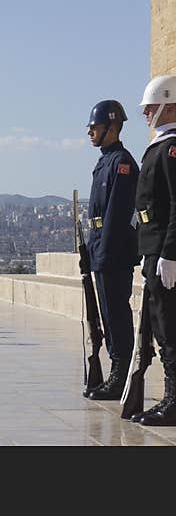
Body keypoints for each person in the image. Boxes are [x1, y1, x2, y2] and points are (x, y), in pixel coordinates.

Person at [82, 100, 141, 400]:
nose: (90, 131)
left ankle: (121, 374)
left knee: (116, 313)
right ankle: (115, 369)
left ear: (112, 126)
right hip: (101, 248)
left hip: (114, 252)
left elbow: (118, 214)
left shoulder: (122, 163)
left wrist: (104, 253)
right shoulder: (105, 160)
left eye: (95, 126)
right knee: (106, 312)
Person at [131, 75, 176, 426]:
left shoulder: (171, 148)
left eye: (150, 107)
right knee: (162, 327)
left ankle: (174, 400)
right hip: (153, 250)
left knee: (169, 327)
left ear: (168, 104)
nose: (146, 113)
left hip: (164, 252)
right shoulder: (160, 146)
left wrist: (170, 253)